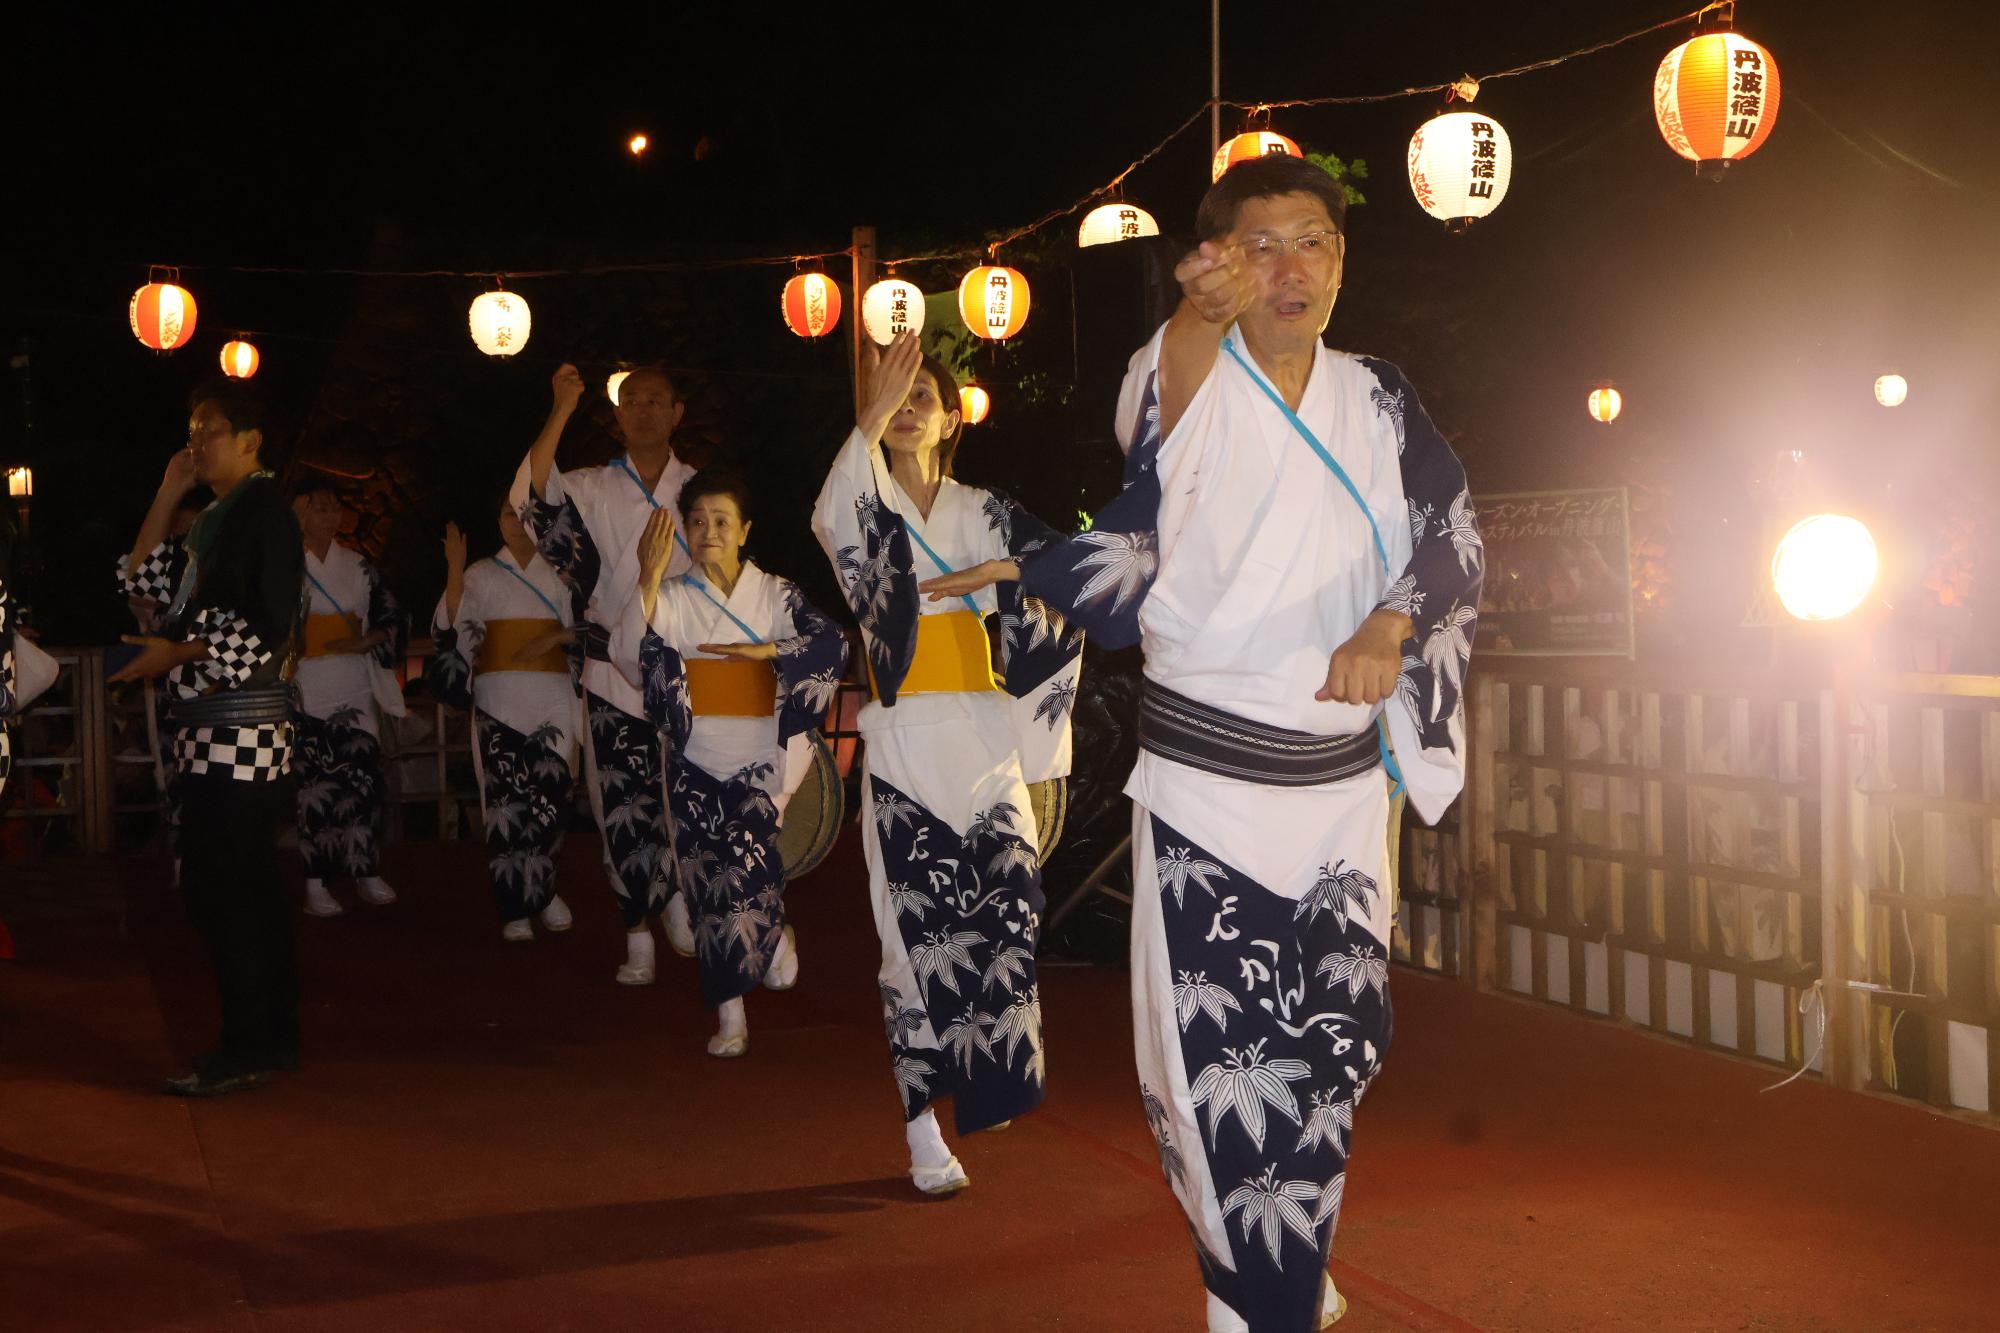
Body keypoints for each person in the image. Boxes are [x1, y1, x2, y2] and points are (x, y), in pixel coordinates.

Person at [921, 155, 1484, 1330]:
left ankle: (1286, 1258)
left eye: (1311, 241)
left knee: (1336, 1043)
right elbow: (1166, 413)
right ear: (1216, 259)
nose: (1289, 268)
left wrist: (1391, 620)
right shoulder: (1178, 370)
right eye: (1258, 246)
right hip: (1209, 789)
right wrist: (1191, 314)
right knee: (1223, 1061)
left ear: (1340, 259)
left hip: (1339, 791)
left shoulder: (1379, 397)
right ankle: (1251, 1299)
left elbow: (1451, 530)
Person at [811, 334, 1083, 1195]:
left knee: (1011, 900)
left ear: (953, 418)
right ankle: (923, 1127)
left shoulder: (983, 509)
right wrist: (864, 421)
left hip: (983, 733)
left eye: (922, 395)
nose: (907, 408)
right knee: (910, 934)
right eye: (893, 397)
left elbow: (1071, 570)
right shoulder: (864, 499)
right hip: (902, 742)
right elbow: (835, 522)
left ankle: (993, 1066)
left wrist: (1001, 572)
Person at [111, 381, 308, 1096]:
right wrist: (169, 490)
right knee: (239, 885)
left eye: (210, 430)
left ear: (251, 440)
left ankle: (251, 1040)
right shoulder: (214, 521)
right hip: (213, 731)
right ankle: (268, 1036)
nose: (196, 442)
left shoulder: (266, 513)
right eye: (191, 430)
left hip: (243, 730)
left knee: (228, 888)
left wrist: (180, 653)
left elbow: (270, 621)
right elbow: (140, 582)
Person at [611, 467, 847, 1056]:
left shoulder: (775, 593)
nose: (708, 531)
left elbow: (832, 644)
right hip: (694, 758)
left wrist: (768, 650)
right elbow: (628, 655)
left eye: (721, 521)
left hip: (760, 756)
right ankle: (731, 1012)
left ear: (745, 530)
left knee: (750, 873)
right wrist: (648, 577)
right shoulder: (670, 595)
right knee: (707, 885)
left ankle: (773, 938)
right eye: (697, 521)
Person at [511, 363, 694, 985]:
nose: (643, 409)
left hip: (679, 667)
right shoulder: (592, 485)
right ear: (617, 414)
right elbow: (533, 495)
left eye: (656, 399)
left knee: (680, 795)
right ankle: (636, 929)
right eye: (631, 400)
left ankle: (677, 899)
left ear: (677, 412)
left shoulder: (697, 489)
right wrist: (561, 408)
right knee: (620, 802)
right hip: (611, 670)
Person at [429, 498, 583, 942]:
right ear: (497, 522)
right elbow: (452, 625)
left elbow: (584, 630)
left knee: (552, 797)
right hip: (498, 702)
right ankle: (514, 905)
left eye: (523, 514)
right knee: (505, 805)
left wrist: (552, 639)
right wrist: (455, 569)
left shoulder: (561, 573)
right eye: (507, 514)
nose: (515, 523)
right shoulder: (481, 574)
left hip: (552, 699)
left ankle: (544, 892)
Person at [291, 476, 408, 917]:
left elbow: (392, 616)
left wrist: (367, 639)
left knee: (362, 783)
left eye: (334, 508)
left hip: (353, 685)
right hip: (305, 687)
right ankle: (316, 882)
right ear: (299, 513)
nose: (330, 516)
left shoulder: (359, 565)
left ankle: (366, 870)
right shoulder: (284, 565)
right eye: (319, 507)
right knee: (314, 790)